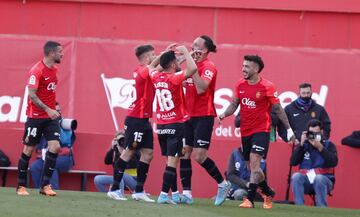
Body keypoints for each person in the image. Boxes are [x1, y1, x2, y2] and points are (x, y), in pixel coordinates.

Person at [219, 54, 295, 209]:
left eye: (246, 66)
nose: (243, 69)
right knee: (253, 168)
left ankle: (250, 200)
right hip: (245, 131)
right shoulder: (240, 84)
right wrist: (224, 114)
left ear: (256, 68)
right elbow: (234, 104)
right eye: (243, 66)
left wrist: (289, 130)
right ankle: (267, 192)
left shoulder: (267, 86)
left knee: (254, 160)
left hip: (262, 130)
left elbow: (278, 109)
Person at [180, 35, 230, 206]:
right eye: (192, 45)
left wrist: (191, 68)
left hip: (204, 115)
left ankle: (223, 184)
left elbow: (201, 89)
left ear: (206, 50)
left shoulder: (209, 66)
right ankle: (186, 194)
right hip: (187, 115)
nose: (193, 48)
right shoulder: (190, 64)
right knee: (184, 152)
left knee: (200, 156)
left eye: (196, 46)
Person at [107, 44, 156, 202]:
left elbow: (164, 66)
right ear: (147, 58)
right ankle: (114, 189)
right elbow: (156, 66)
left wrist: (179, 57)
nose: (155, 57)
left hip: (145, 120)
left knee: (148, 154)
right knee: (128, 152)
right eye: (153, 55)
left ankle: (139, 191)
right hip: (135, 119)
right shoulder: (140, 71)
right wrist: (165, 55)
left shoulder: (150, 70)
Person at [150, 46, 197, 204]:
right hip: (176, 125)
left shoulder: (156, 77)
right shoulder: (174, 78)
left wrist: (163, 54)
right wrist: (184, 51)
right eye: (176, 62)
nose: (179, 63)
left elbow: (150, 67)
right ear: (171, 65)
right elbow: (192, 68)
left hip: (162, 127)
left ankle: (175, 193)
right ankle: (163, 194)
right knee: (172, 163)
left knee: (170, 161)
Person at [16, 41, 63, 196]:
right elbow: (32, 94)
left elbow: (48, 93)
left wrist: (54, 106)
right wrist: (48, 109)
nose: (62, 54)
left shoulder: (55, 69)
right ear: (51, 53)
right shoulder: (36, 71)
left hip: (51, 117)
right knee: (28, 150)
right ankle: (21, 186)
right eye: (60, 52)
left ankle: (45, 186)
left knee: (55, 147)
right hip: (35, 117)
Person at [290, 119, 338, 207]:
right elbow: (293, 162)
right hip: (307, 180)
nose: (313, 136)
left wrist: (320, 148)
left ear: (321, 132)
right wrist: (301, 145)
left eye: (316, 133)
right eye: (311, 133)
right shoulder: (305, 145)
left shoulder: (329, 145)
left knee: (319, 178)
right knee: (296, 176)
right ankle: (299, 208)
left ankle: (321, 209)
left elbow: (334, 162)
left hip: (325, 180)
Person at [30, 102, 75, 189]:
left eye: (59, 110)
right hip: (46, 157)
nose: (58, 113)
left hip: (64, 158)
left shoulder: (65, 124)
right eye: (56, 111)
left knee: (51, 163)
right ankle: (39, 189)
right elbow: (38, 147)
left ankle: (52, 188)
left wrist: (56, 126)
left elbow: (66, 141)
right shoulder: (43, 124)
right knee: (34, 167)